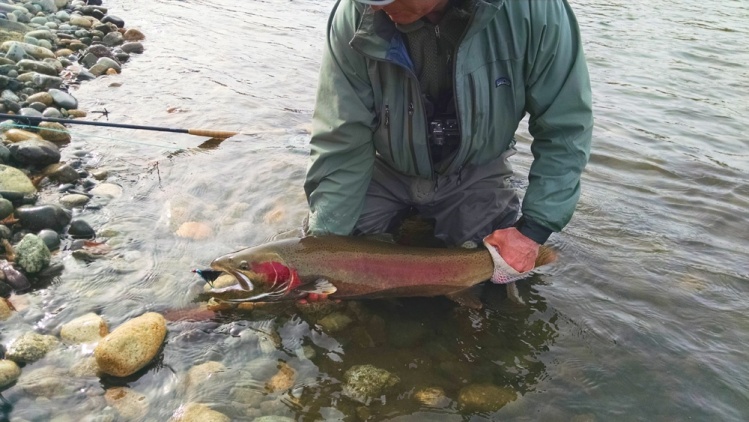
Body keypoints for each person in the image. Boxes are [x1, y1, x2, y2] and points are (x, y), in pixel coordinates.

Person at [304, 0, 593, 273]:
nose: (375, 7)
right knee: (338, 251)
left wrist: (534, 229)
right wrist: (323, 246)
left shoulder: (534, 11)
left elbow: (565, 127)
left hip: (475, 170)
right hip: (387, 170)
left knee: (500, 267)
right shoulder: (355, 14)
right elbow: (343, 135)